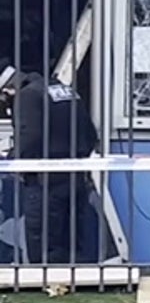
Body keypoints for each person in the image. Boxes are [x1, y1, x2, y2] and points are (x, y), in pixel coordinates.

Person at [0, 57, 99, 264]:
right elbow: (90, 133)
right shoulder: (62, 89)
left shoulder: (27, 97)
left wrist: (13, 161)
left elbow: (30, 137)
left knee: (43, 241)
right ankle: (71, 283)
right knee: (71, 238)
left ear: (8, 90)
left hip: (44, 181)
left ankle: (48, 285)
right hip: (76, 176)